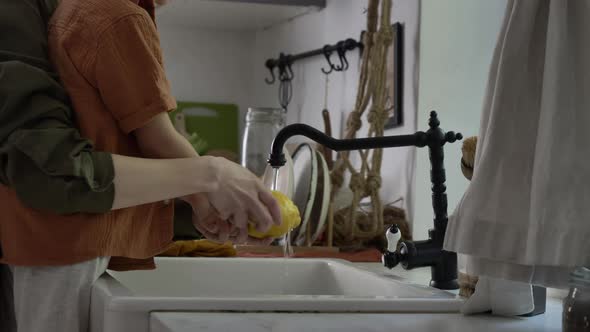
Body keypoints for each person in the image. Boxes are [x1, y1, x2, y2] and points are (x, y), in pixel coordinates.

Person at [0, 0, 281, 331]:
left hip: (33, 238)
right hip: (73, 238)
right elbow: (156, 138)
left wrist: (202, 200)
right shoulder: (119, 16)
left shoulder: (74, 11)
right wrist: (212, 179)